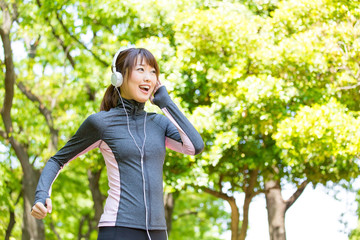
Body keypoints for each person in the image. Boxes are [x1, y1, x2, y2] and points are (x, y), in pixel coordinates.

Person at [30, 47, 204, 240]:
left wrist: (165, 102)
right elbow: (57, 160)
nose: (148, 77)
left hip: (158, 232)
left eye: (153, 72)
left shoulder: (159, 123)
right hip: (119, 229)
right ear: (119, 77)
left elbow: (195, 146)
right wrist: (41, 195)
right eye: (141, 70)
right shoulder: (101, 123)